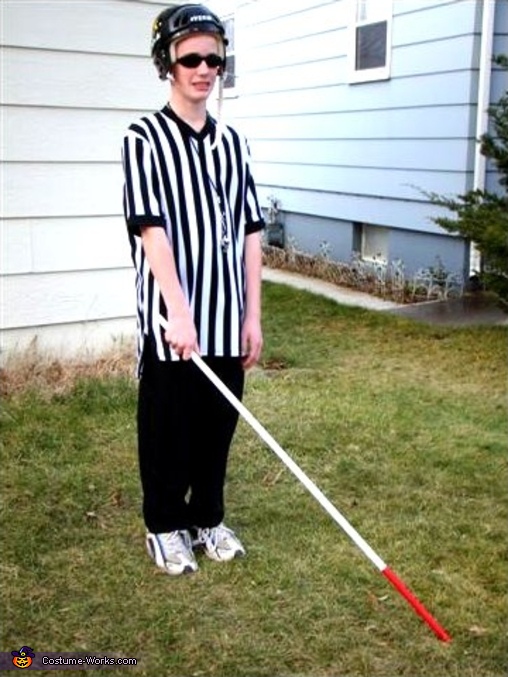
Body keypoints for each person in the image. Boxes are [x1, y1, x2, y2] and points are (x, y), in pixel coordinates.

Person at [121, 3, 265, 575]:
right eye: (191, 59)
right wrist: (179, 314)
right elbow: (152, 231)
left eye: (214, 59)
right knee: (167, 431)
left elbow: (252, 231)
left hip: (228, 319)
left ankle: (208, 518)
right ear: (167, 63)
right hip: (172, 326)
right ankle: (164, 525)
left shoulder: (234, 143)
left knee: (215, 430)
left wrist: (253, 315)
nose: (204, 69)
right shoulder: (143, 139)